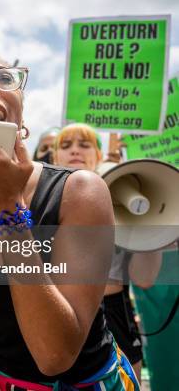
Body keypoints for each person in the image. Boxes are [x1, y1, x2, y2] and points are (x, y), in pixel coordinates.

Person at [0, 29, 139, 389]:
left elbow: (54, 356)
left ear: (20, 110)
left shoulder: (80, 191)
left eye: (4, 77)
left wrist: (7, 210)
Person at [54, 123, 162, 382]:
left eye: (85, 144)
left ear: (99, 156)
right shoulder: (38, 202)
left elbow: (144, 278)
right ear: (54, 157)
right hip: (58, 310)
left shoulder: (122, 201)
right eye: (66, 146)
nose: (75, 151)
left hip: (115, 313)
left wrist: (153, 229)